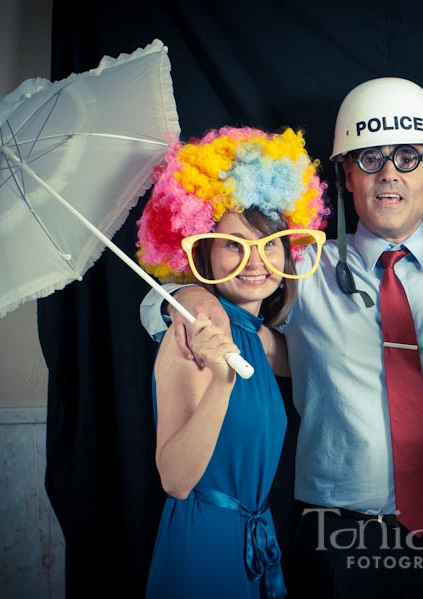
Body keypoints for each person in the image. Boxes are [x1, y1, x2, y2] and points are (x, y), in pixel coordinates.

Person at [139, 78, 423, 599]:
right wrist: (191, 300)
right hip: (339, 540)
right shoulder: (299, 265)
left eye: (408, 156)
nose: (388, 174)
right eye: (369, 157)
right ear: (345, 175)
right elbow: (194, 291)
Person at [137, 126, 329, 599]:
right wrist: (221, 379)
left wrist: (181, 294)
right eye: (233, 244)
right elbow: (177, 481)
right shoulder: (193, 337)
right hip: (203, 547)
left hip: (255, 542)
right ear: (203, 251)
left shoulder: (265, 342)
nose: (255, 260)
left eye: (269, 242)